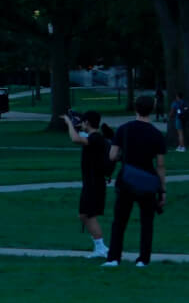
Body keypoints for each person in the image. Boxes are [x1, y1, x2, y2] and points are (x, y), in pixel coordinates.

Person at [106, 95, 168, 268]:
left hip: (127, 179)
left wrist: (122, 155)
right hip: (147, 181)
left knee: (119, 221)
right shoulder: (156, 134)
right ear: (152, 110)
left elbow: (112, 155)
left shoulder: (123, 129)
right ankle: (143, 259)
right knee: (146, 222)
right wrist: (162, 190)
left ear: (135, 108)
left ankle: (113, 258)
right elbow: (161, 165)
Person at [68, 110, 112, 259]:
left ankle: (101, 248)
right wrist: (77, 125)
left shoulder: (96, 139)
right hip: (91, 183)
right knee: (84, 215)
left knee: (88, 215)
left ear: (87, 122)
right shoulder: (94, 137)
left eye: (84, 121)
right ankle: (100, 246)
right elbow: (81, 136)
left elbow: (75, 139)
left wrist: (69, 123)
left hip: (94, 184)